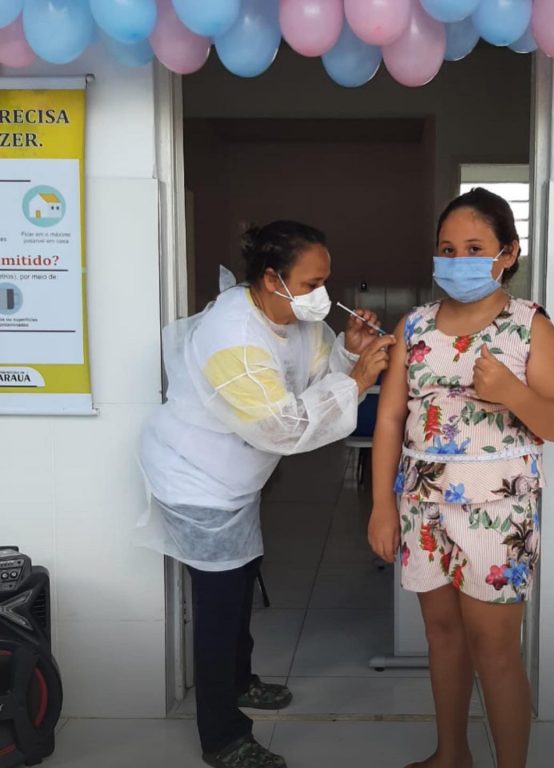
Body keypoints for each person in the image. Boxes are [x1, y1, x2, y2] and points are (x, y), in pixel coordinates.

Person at [137, 220, 395, 768]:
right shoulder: (232, 335)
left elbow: (312, 376)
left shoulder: (291, 317)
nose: (322, 294)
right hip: (196, 478)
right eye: (311, 284)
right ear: (273, 279)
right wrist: (359, 382)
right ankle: (222, 737)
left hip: (236, 477)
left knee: (240, 582)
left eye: (325, 281)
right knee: (218, 606)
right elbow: (281, 426)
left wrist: (349, 353)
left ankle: (240, 680)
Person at [368, 188, 554, 768]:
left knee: (495, 649)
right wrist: (382, 506)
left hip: (498, 511)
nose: (457, 260)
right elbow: (389, 419)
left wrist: (512, 392)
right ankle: (452, 755)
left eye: (474, 248)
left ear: (507, 254)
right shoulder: (414, 326)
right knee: (442, 636)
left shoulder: (529, 327)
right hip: (422, 504)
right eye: (447, 249)